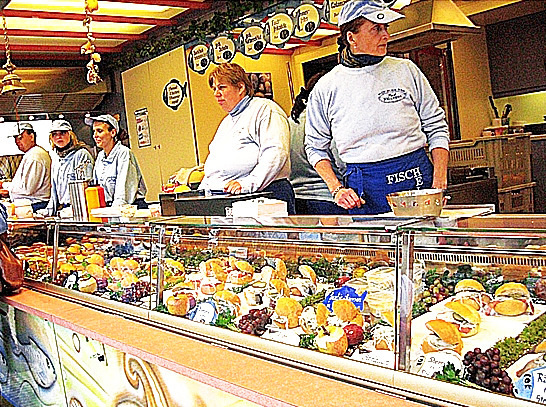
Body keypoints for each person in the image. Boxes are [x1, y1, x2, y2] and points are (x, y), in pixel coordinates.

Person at [305, 0, 450, 215]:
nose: (386, 36)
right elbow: (315, 147)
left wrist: (439, 179)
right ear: (351, 38)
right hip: (365, 189)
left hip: (418, 178)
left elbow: (436, 126)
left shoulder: (406, 70)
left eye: (385, 28)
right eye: (376, 29)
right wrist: (336, 189)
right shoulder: (327, 87)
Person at [199, 63, 295, 214]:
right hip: (228, 199)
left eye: (222, 87)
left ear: (241, 87)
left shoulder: (265, 109)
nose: (216, 94)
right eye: (214, 89)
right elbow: (215, 165)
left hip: (265, 194)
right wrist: (201, 191)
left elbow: (276, 153)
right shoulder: (226, 122)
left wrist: (248, 184)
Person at [289, 72, 347, 215]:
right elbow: (342, 162)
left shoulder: (290, 121)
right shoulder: (327, 121)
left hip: (297, 200)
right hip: (330, 199)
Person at [86, 114, 147, 208]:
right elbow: (97, 186)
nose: (95, 135)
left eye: (100, 131)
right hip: (111, 208)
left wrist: (114, 212)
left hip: (129, 208)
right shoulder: (100, 156)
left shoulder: (124, 153)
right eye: (94, 131)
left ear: (113, 132)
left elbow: (123, 193)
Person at [45, 120, 94, 216]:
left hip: (79, 210)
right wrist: (47, 213)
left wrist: (76, 210)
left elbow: (86, 188)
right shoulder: (56, 159)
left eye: (62, 133)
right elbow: (54, 192)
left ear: (70, 135)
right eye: (54, 134)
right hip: (63, 210)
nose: (58, 137)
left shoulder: (81, 154)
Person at [0, 123, 51, 212]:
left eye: (20, 138)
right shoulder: (32, 153)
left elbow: (27, 189)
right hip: (32, 204)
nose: (17, 142)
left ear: (31, 137)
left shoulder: (35, 156)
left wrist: (3, 185)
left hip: (36, 205)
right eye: (15, 138)